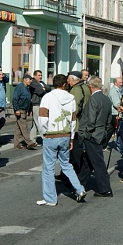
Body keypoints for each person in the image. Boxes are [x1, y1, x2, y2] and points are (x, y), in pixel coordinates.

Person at [36, 73, 87, 206]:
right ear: (65, 84)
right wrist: (70, 137)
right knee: (66, 165)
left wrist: (43, 132)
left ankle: (50, 198)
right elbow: (73, 120)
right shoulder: (71, 98)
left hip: (51, 135)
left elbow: (42, 118)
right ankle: (79, 189)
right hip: (65, 134)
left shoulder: (47, 97)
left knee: (48, 168)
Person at [78, 76, 114, 197]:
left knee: (98, 163)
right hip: (100, 133)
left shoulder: (94, 99)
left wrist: (86, 134)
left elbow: (91, 120)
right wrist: (104, 131)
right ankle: (79, 185)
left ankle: (105, 189)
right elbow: (109, 119)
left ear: (90, 86)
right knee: (87, 162)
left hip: (92, 135)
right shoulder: (106, 99)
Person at [12, 73, 37, 149]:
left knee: (19, 128)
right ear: (24, 80)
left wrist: (29, 109)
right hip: (20, 109)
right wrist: (16, 109)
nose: (30, 81)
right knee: (24, 127)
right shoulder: (19, 87)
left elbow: (28, 100)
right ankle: (29, 142)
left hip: (24, 109)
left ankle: (17, 144)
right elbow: (15, 98)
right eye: (29, 79)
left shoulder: (27, 88)